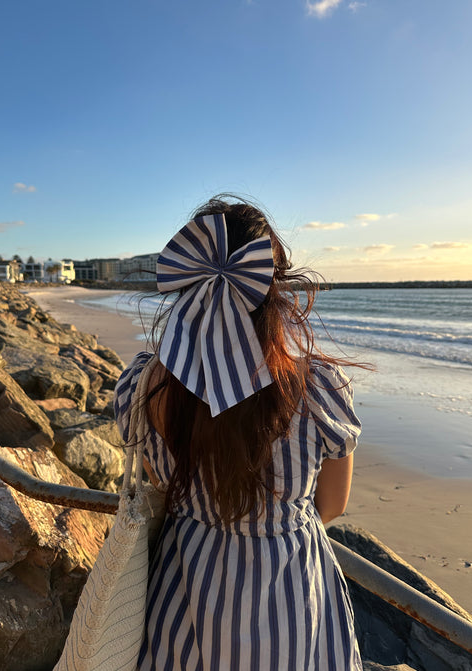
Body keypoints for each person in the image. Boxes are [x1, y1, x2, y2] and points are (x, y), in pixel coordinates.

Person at [114, 196, 363, 670]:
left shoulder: (146, 388)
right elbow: (332, 506)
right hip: (291, 596)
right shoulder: (318, 390)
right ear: (276, 290)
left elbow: (163, 486)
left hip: (187, 581)